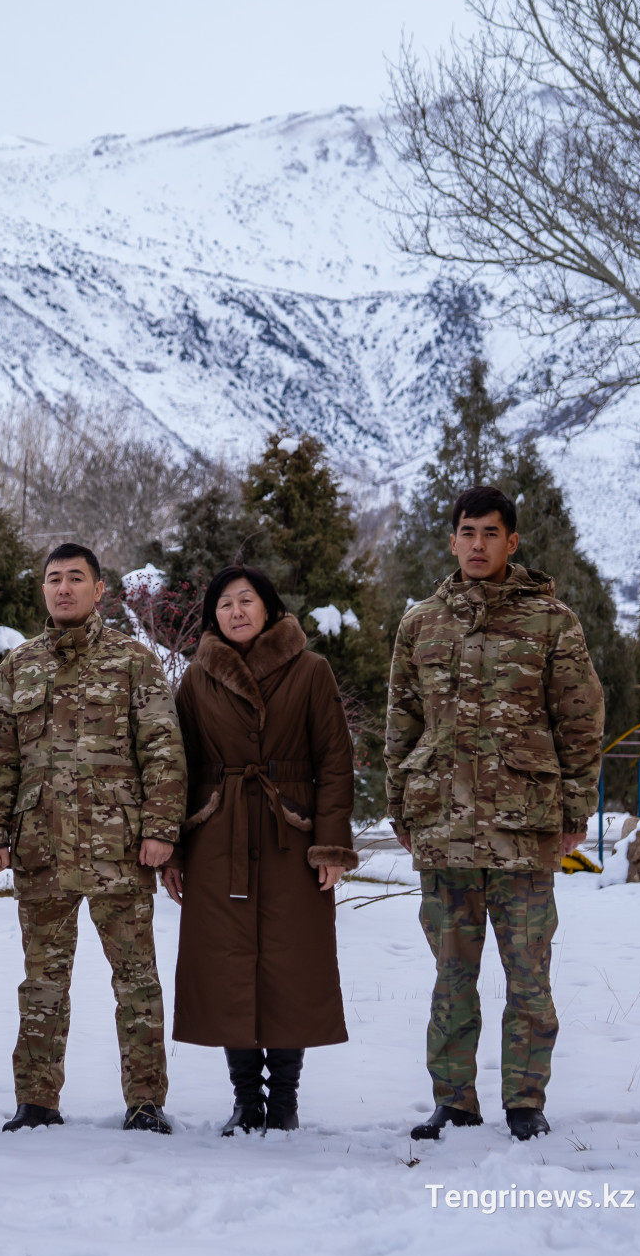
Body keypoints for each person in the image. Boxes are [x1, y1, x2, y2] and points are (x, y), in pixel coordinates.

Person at [384, 486, 604, 1143]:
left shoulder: (552, 622)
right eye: (466, 533)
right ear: (451, 541)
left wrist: (575, 804)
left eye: (490, 533)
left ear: (513, 542)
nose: (477, 545)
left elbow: (581, 720)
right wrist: (399, 803)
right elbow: (402, 719)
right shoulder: (421, 622)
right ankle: (454, 1102)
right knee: (453, 977)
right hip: (444, 827)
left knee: (529, 977)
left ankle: (524, 1103)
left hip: (525, 828)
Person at [0, 543, 188, 1134]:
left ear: (100, 590)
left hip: (119, 849)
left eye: (75, 578)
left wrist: (160, 831)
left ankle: (145, 1100)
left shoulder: (133, 661)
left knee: (137, 981)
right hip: (40, 849)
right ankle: (36, 1101)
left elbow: (163, 752)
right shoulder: (18, 666)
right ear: (42, 590)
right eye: (53, 579)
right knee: (42, 982)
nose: (63, 588)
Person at [164, 566, 358, 1134]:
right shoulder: (198, 677)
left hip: (290, 837)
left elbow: (334, 762)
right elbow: (179, 767)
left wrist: (330, 846)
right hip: (217, 837)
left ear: (269, 608)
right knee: (226, 969)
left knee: (290, 967)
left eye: (246, 600)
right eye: (224, 604)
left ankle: (287, 1100)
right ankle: (247, 1099)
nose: (236, 611)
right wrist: (174, 849)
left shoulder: (311, 670)